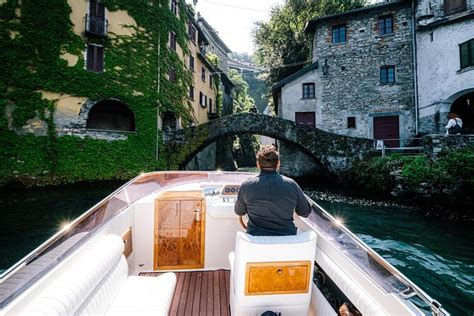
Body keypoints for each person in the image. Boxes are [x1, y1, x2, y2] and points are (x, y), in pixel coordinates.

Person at [234, 145, 312, 236]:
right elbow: (305, 212)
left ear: (258, 164)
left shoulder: (246, 185)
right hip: (287, 239)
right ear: (278, 164)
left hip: (256, 240)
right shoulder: (291, 184)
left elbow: (239, 211)